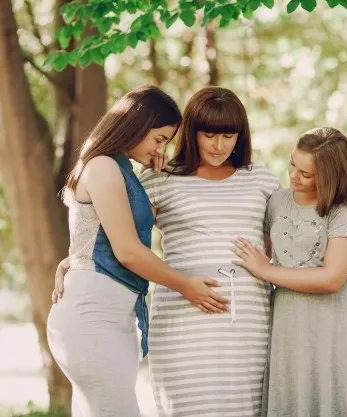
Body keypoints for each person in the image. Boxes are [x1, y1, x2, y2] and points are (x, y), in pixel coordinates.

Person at [53, 87, 347, 417]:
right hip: (181, 315)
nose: (218, 146)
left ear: (240, 135)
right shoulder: (160, 178)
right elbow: (117, 232)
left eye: (228, 136)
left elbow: (294, 238)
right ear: (191, 133)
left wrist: (346, 263)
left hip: (249, 318)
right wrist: (73, 261)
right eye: (209, 135)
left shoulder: (260, 180)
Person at [46, 85, 228, 417]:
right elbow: (128, 251)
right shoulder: (102, 167)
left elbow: (116, 231)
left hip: (112, 315)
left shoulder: (122, 172)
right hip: (93, 317)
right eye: (159, 139)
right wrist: (186, 285)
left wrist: (152, 178)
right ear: (136, 126)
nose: (162, 148)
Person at [233, 127, 347, 417]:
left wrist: (267, 270)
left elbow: (331, 278)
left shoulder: (342, 214)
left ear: (330, 176)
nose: (294, 176)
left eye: (306, 174)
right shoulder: (275, 202)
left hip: (331, 321)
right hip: (288, 319)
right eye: (292, 164)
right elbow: (255, 251)